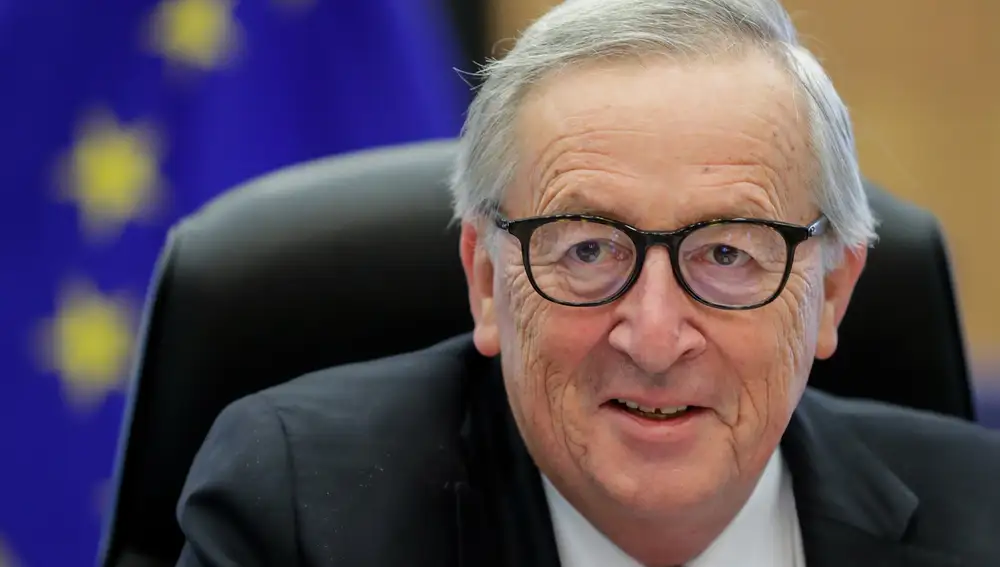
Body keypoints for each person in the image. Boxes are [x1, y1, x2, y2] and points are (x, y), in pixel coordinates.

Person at [174, 0, 1000, 565]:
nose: (652, 336)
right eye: (588, 252)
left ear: (830, 295)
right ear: (488, 283)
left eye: (724, 255)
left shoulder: (983, 520)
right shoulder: (298, 514)